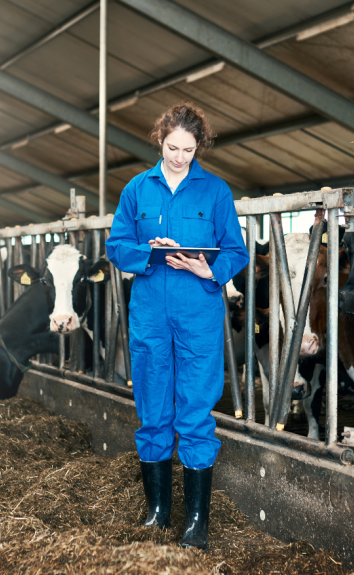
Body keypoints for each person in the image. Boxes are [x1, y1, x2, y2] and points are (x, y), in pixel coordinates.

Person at [106, 102, 248, 550]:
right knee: (152, 411)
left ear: (198, 146)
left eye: (188, 149)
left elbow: (236, 252)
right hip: (149, 309)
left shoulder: (215, 191)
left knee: (195, 413)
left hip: (198, 313)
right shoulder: (137, 189)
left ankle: (196, 522)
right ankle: (156, 512)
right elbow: (116, 245)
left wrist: (209, 270)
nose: (180, 157)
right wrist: (148, 250)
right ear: (160, 139)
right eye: (172, 147)